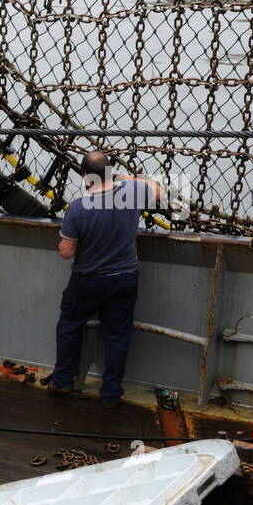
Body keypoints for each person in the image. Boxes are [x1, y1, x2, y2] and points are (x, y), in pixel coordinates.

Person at [49, 151, 162, 409]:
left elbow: (67, 253)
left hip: (88, 280)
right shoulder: (132, 192)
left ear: (85, 176)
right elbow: (159, 192)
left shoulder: (78, 207)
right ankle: (111, 393)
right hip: (124, 278)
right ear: (110, 172)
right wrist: (128, 178)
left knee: (69, 325)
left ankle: (63, 380)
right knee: (118, 334)